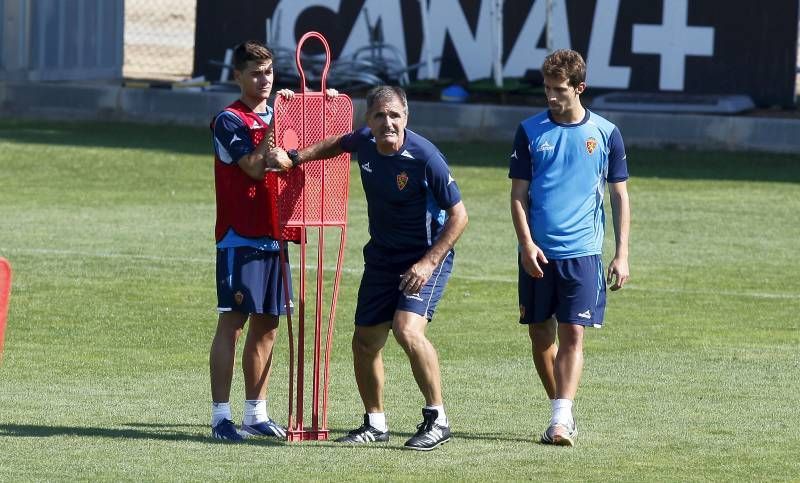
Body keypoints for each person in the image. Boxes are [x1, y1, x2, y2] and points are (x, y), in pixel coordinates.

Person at [269, 85, 468, 451]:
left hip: (424, 257)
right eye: (379, 115)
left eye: (394, 115)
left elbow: (459, 215)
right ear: (369, 120)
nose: (388, 122)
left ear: (406, 116)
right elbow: (334, 144)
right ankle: (375, 422)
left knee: (406, 330)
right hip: (381, 257)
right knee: (364, 342)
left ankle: (438, 419)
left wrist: (427, 262)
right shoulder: (365, 141)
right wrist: (295, 157)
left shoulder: (426, 157)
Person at [508, 49, 630, 446]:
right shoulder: (529, 131)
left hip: (582, 253)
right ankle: (562, 409)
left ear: (579, 88)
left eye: (559, 89)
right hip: (538, 253)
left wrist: (621, 252)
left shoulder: (607, 133)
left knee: (572, 333)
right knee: (541, 338)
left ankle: (561, 417)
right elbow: (517, 195)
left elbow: (619, 197)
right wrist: (526, 244)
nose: (551, 96)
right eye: (546, 88)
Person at [208, 39, 299, 442]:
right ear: (238, 76)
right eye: (255, 73)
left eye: (269, 72)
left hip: (274, 234)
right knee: (233, 324)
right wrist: (278, 122)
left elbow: (316, 139)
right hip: (239, 235)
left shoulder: (280, 113)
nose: (264, 80)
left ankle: (256, 414)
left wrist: (320, 103)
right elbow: (251, 168)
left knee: (268, 325)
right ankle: (220, 417)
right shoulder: (229, 120)